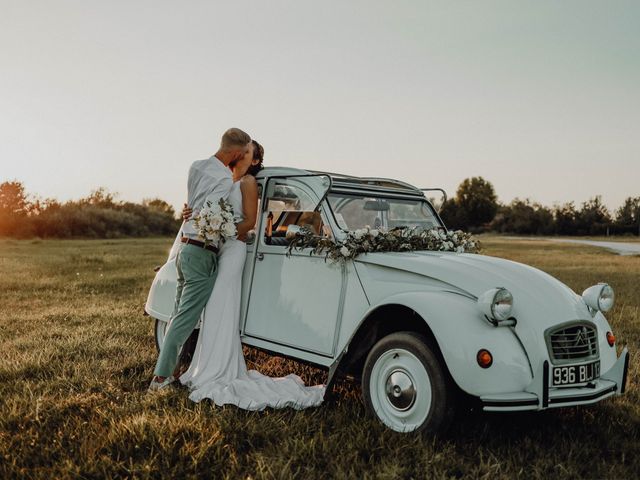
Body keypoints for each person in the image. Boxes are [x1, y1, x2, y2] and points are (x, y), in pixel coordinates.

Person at [179, 140, 326, 410]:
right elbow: (205, 206)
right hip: (216, 247)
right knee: (213, 309)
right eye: (242, 150)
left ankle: (219, 370)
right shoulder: (224, 178)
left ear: (255, 161)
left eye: (248, 153)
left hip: (233, 249)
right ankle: (206, 366)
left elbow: (250, 222)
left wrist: (220, 229)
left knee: (220, 306)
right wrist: (194, 215)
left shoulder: (248, 182)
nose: (242, 154)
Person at [148, 128, 252, 392]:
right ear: (237, 153)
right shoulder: (225, 181)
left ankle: (166, 371)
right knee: (186, 317)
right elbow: (211, 214)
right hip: (202, 251)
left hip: (185, 248)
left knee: (176, 313)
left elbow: (194, 206)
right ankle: (160, 379)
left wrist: (188, 213)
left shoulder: (196, 166)